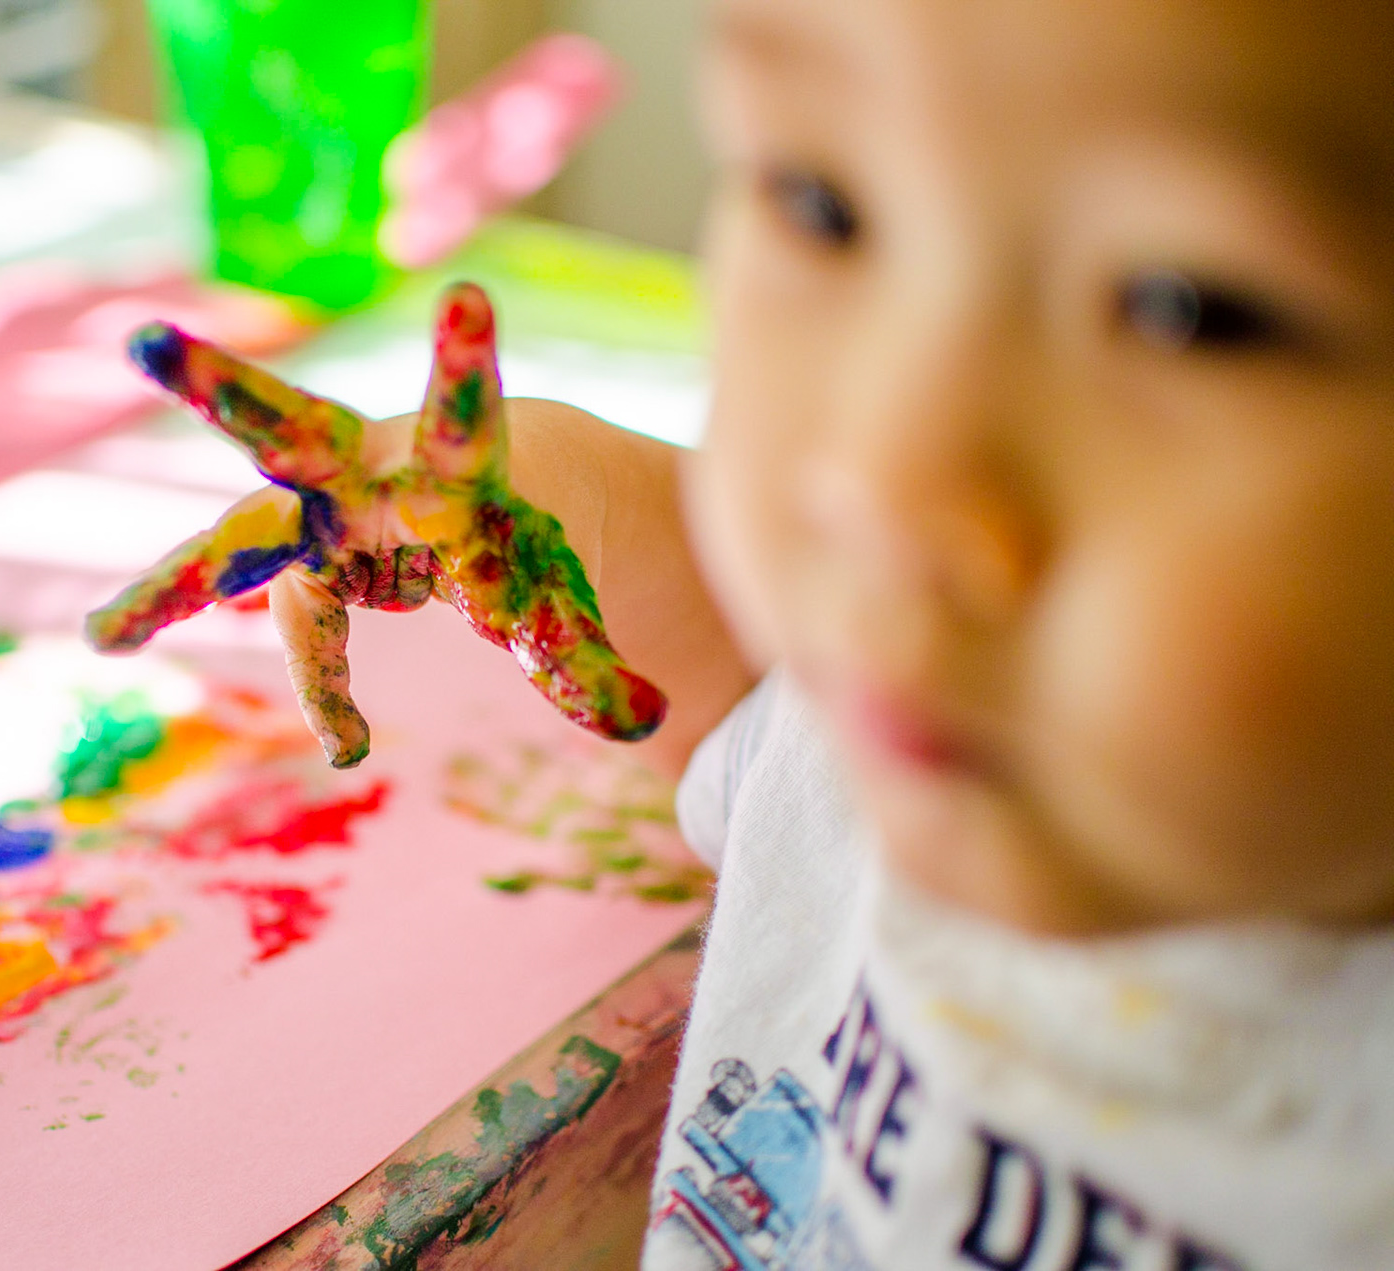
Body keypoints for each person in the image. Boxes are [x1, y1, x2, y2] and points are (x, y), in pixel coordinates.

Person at [95, 0, 1394, 1264]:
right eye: (824, 205)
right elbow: (740, 704)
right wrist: (519, 505)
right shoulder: (949, 717)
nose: (875, 478)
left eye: (1190, 310)